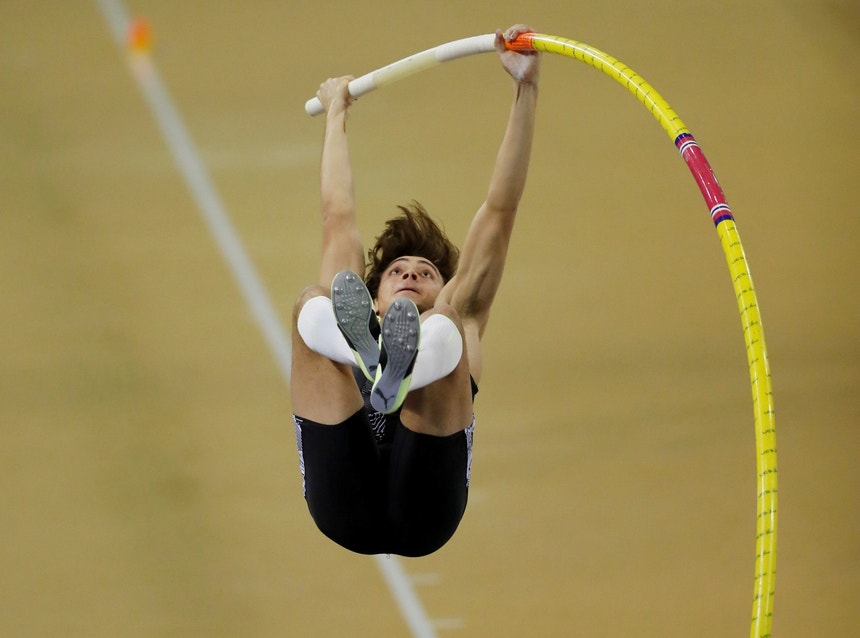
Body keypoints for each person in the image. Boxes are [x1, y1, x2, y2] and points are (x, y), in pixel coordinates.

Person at [291, 25, 540, 557]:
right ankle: (373, 356)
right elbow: (337, 214)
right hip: (345, 504)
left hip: (426, 511)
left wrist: (526, 91)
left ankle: (402, 371)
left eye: (425, 272)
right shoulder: (352, 302)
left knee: (445, 325)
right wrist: (336, 112)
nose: (409, 275)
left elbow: (501, 211)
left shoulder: (459, 313)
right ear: (374, 296)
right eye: (397, 271)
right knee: (312, 303)